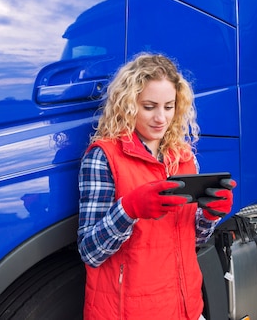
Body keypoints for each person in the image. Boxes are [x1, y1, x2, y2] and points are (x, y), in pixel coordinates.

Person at [77, 53, 235, 320]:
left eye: (169, 106)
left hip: (185, 308)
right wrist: (129, 209)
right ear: (128, 104)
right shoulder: (103, 157)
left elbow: (192, 240)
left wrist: (209, 215)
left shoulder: (185, 157)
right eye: (149, 106)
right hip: (129, 313)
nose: (161, 118)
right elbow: (90, 251)